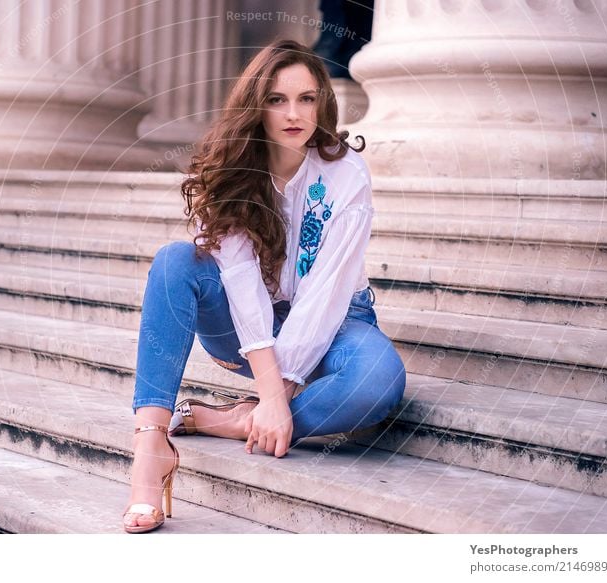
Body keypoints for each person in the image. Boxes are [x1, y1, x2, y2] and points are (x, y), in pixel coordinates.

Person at [122, 39, 406, 534]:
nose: (294, 113)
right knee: (175, 261)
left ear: (323, 102)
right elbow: (240, 284)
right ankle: (150, 448)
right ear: (256, 106)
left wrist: (277, 398)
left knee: (376, 382)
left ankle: (233, 419)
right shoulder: (233, 170)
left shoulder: (345, 174)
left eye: (307, 98)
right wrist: (272, 388)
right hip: (245, 329)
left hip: (339, 320)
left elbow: (326, 295)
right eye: (277, 99)